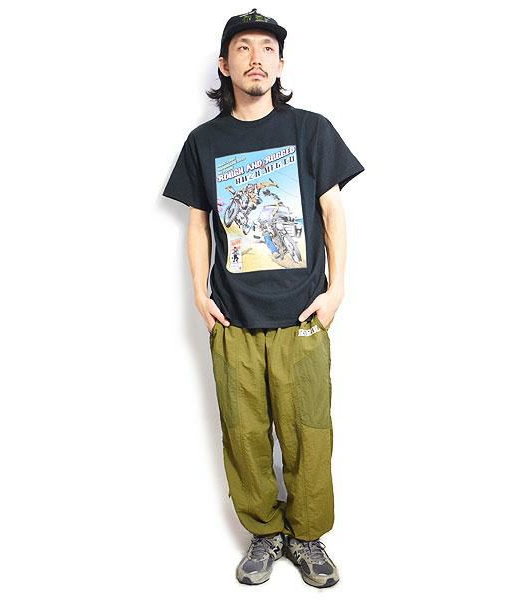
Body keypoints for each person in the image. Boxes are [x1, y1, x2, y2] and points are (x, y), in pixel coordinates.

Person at [162, 8, 365, 589]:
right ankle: (264, 532)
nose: (257, 57)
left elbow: (332, 214)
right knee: (244, 434)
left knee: (308, 433)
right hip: (233, 319)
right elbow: (198, 225)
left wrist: (336, 290)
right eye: (244, 48)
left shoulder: (311, 130)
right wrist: (199, 295)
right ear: (225, 65)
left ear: (280, 64)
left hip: (302, 315)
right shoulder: (204, 143)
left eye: (268, 48)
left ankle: (307, 537)